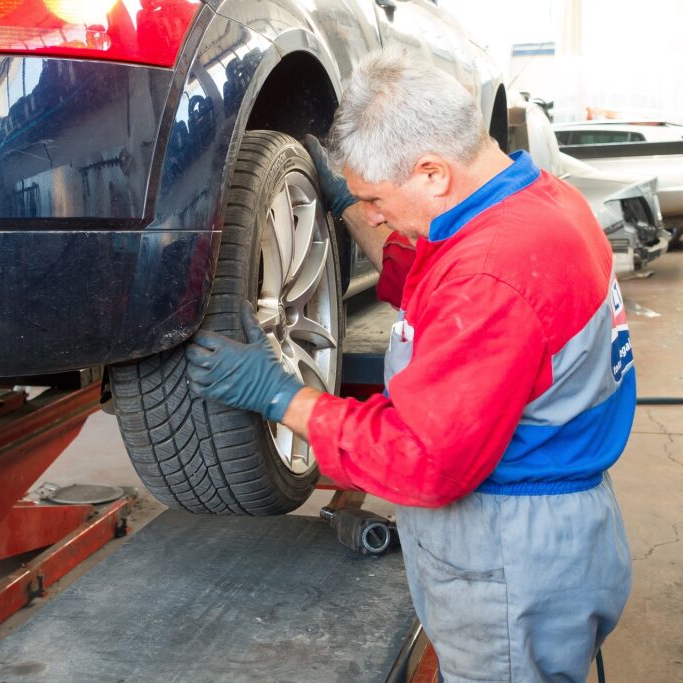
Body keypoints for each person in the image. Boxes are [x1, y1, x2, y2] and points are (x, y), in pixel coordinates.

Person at [185, 48, 633, 682]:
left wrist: (283, 397)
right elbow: (432, 277)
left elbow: (424, 458)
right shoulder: (538, 201)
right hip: (558, 527)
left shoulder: (493, 274)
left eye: (374, 197)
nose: (370, 214)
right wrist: (344, 201)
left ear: (431, 173)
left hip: (512, 554)